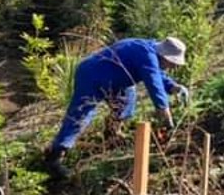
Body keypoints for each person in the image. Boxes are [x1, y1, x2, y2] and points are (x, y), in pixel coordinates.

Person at [42, 37, 191, 179]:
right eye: (172, 63)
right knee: (80, 116)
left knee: (126, 102)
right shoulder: (146, 55)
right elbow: (154, 84)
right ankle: (54, 157)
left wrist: (173, 87)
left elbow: (156, 73)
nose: (173, 67)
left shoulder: (151, 52)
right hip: (92, 75)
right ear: (164, 56)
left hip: (116, 80)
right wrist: (166, 116)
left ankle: (112, 134)